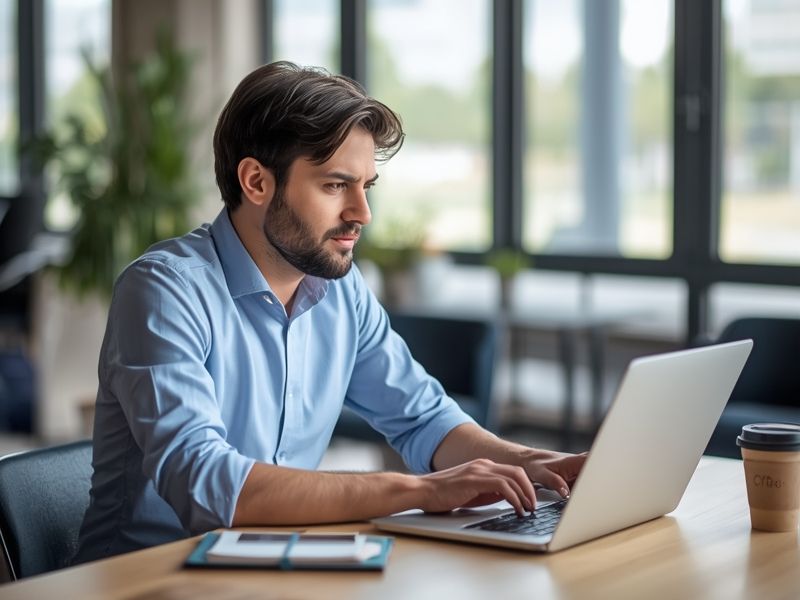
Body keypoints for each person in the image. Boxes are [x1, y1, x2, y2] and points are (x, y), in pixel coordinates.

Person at [73, 61, 587, 563]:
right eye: (335, 185)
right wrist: (419, 490)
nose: (362, 213)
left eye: (366, 187)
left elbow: (423, 419)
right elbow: (208, 485)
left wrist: (541, 465)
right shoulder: (164, 291)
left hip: (273, 567)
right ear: (256, 181)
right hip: (147, 580)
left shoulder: (340, 290)